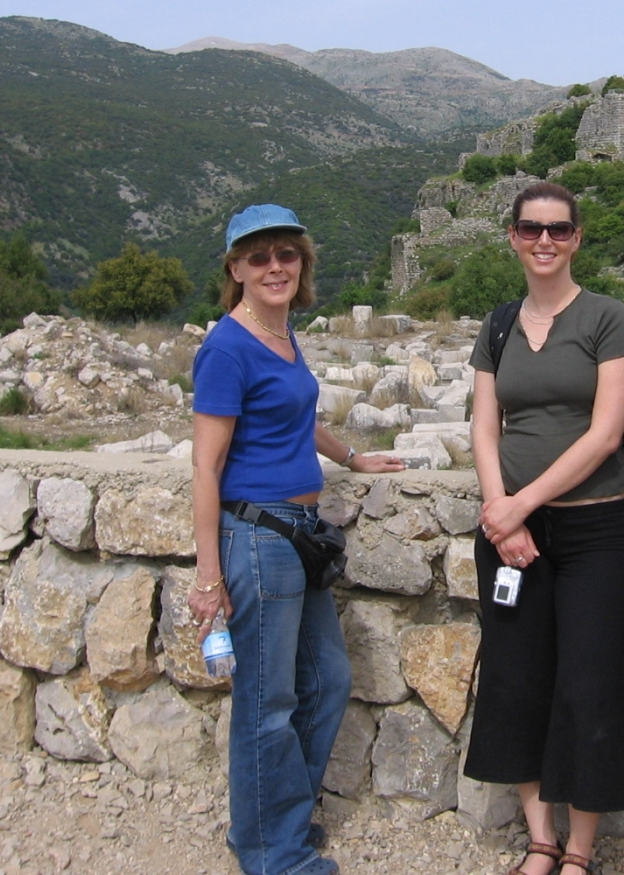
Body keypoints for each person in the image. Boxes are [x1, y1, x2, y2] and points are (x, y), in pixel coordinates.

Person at [188, 203, 404, 875]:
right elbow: (205, 466)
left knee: (328, 680)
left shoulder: (281, 332)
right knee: (267, 700)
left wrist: (354, 458)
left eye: (286, 254)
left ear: (302, 263)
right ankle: (270, 852)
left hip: (299, 534)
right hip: (258, 539)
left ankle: (275, 819)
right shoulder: (227, 347)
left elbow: (296, 416)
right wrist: (208, 577)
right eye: (259, 257)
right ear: (236, 269)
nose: (275, 266)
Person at [465, 182, 624, 875]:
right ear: (512, 237)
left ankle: (580, 851)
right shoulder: (498, 325)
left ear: (576, 238)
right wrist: (500, 511)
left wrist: (521, 504)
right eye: (531, 229)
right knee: (515, 679)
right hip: (510, 533)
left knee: (588, 684)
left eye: (559, 229)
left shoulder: (607, 318)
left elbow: (605, 435)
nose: (545, 240)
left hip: (594, 531)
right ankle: (541, 840)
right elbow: (485, 426)